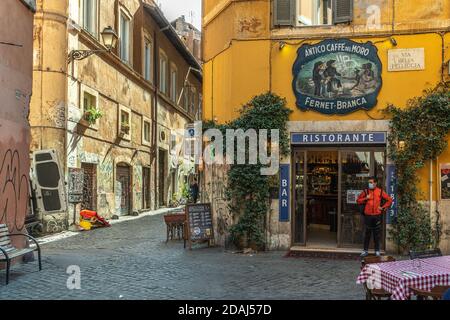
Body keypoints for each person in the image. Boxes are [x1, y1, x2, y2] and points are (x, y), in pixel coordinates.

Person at [357, 177, 393, 258]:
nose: (370, 184)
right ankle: (365, 250)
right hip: (368, 216)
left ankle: (377, 251)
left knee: (376, 234)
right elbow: (358, 200)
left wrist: (383, 207)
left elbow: (389, 200)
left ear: (375, 183)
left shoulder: (380, 191)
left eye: (371, 182)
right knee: (367, 233)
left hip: (377, 215)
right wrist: (366, 198)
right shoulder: (366, 191)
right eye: (369, 182)